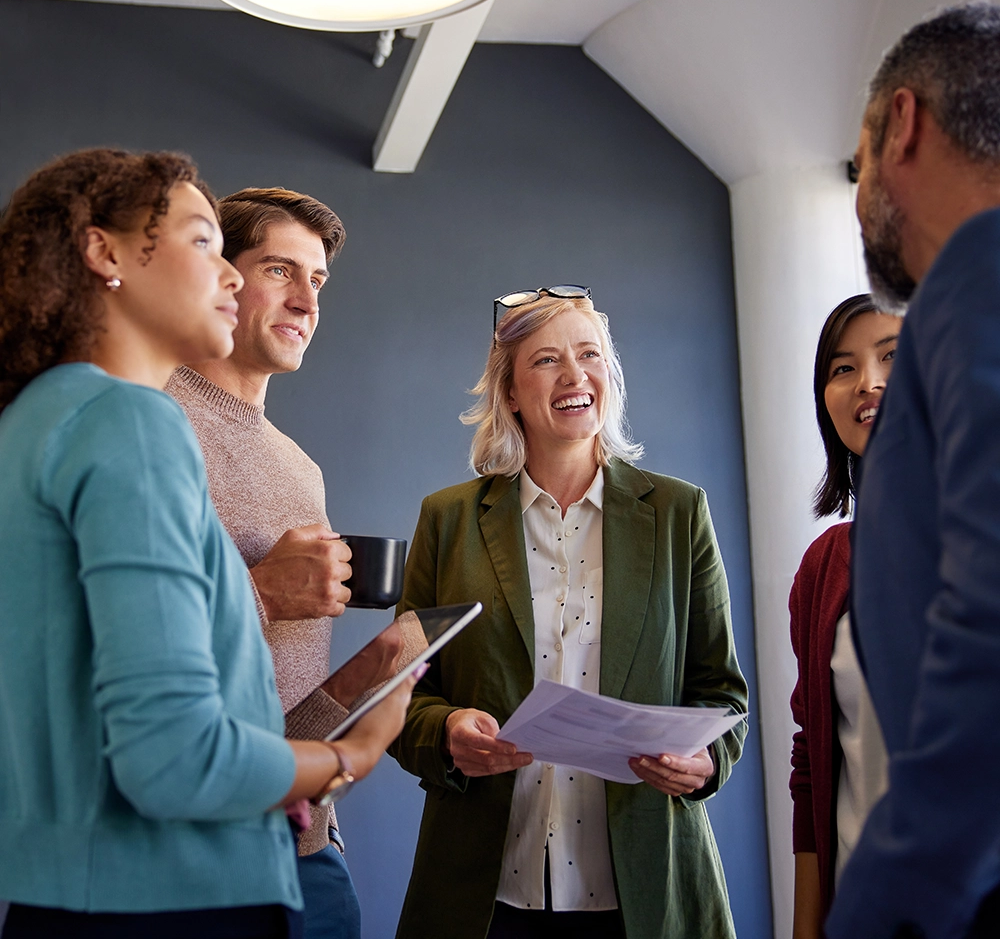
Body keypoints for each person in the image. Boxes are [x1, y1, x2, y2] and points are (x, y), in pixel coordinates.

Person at [0, 149, 415, 938]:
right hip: (175, 893)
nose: (227, 276)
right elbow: (173, 759)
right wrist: (351, 757)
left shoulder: (37, 419)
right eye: (204, 244)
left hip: (69, 890)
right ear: (104, 252)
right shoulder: (132, 419)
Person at [389, 288, 748, 939]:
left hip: (646, 894)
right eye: (547, 360)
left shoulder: (678, 513)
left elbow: (722, 695)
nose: (575, 374)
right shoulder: (448, 520)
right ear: (510, 394)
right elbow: (400, 697)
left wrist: (704, 763)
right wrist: (446, 732)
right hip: (486, 895)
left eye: (590, 355)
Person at [825, 1, 1000, 939]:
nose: (858, 198)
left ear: (902, 124)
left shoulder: (978, 271)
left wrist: (893, 901)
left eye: (855, 163)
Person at [164, 188, 367, 939]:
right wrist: (259, 594)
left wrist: (361, 688)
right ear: (220, 276)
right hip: (181, 851)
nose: (305, 299)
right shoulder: (144, 421)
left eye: (316, 280)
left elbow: (283, 688)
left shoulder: (302, 471)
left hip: (307, 847)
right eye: (280, 269)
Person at [787, 295, 901, 938]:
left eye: (890, 356)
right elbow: (814, 764)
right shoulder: (826, 566)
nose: (869, 382)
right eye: (842, 368)